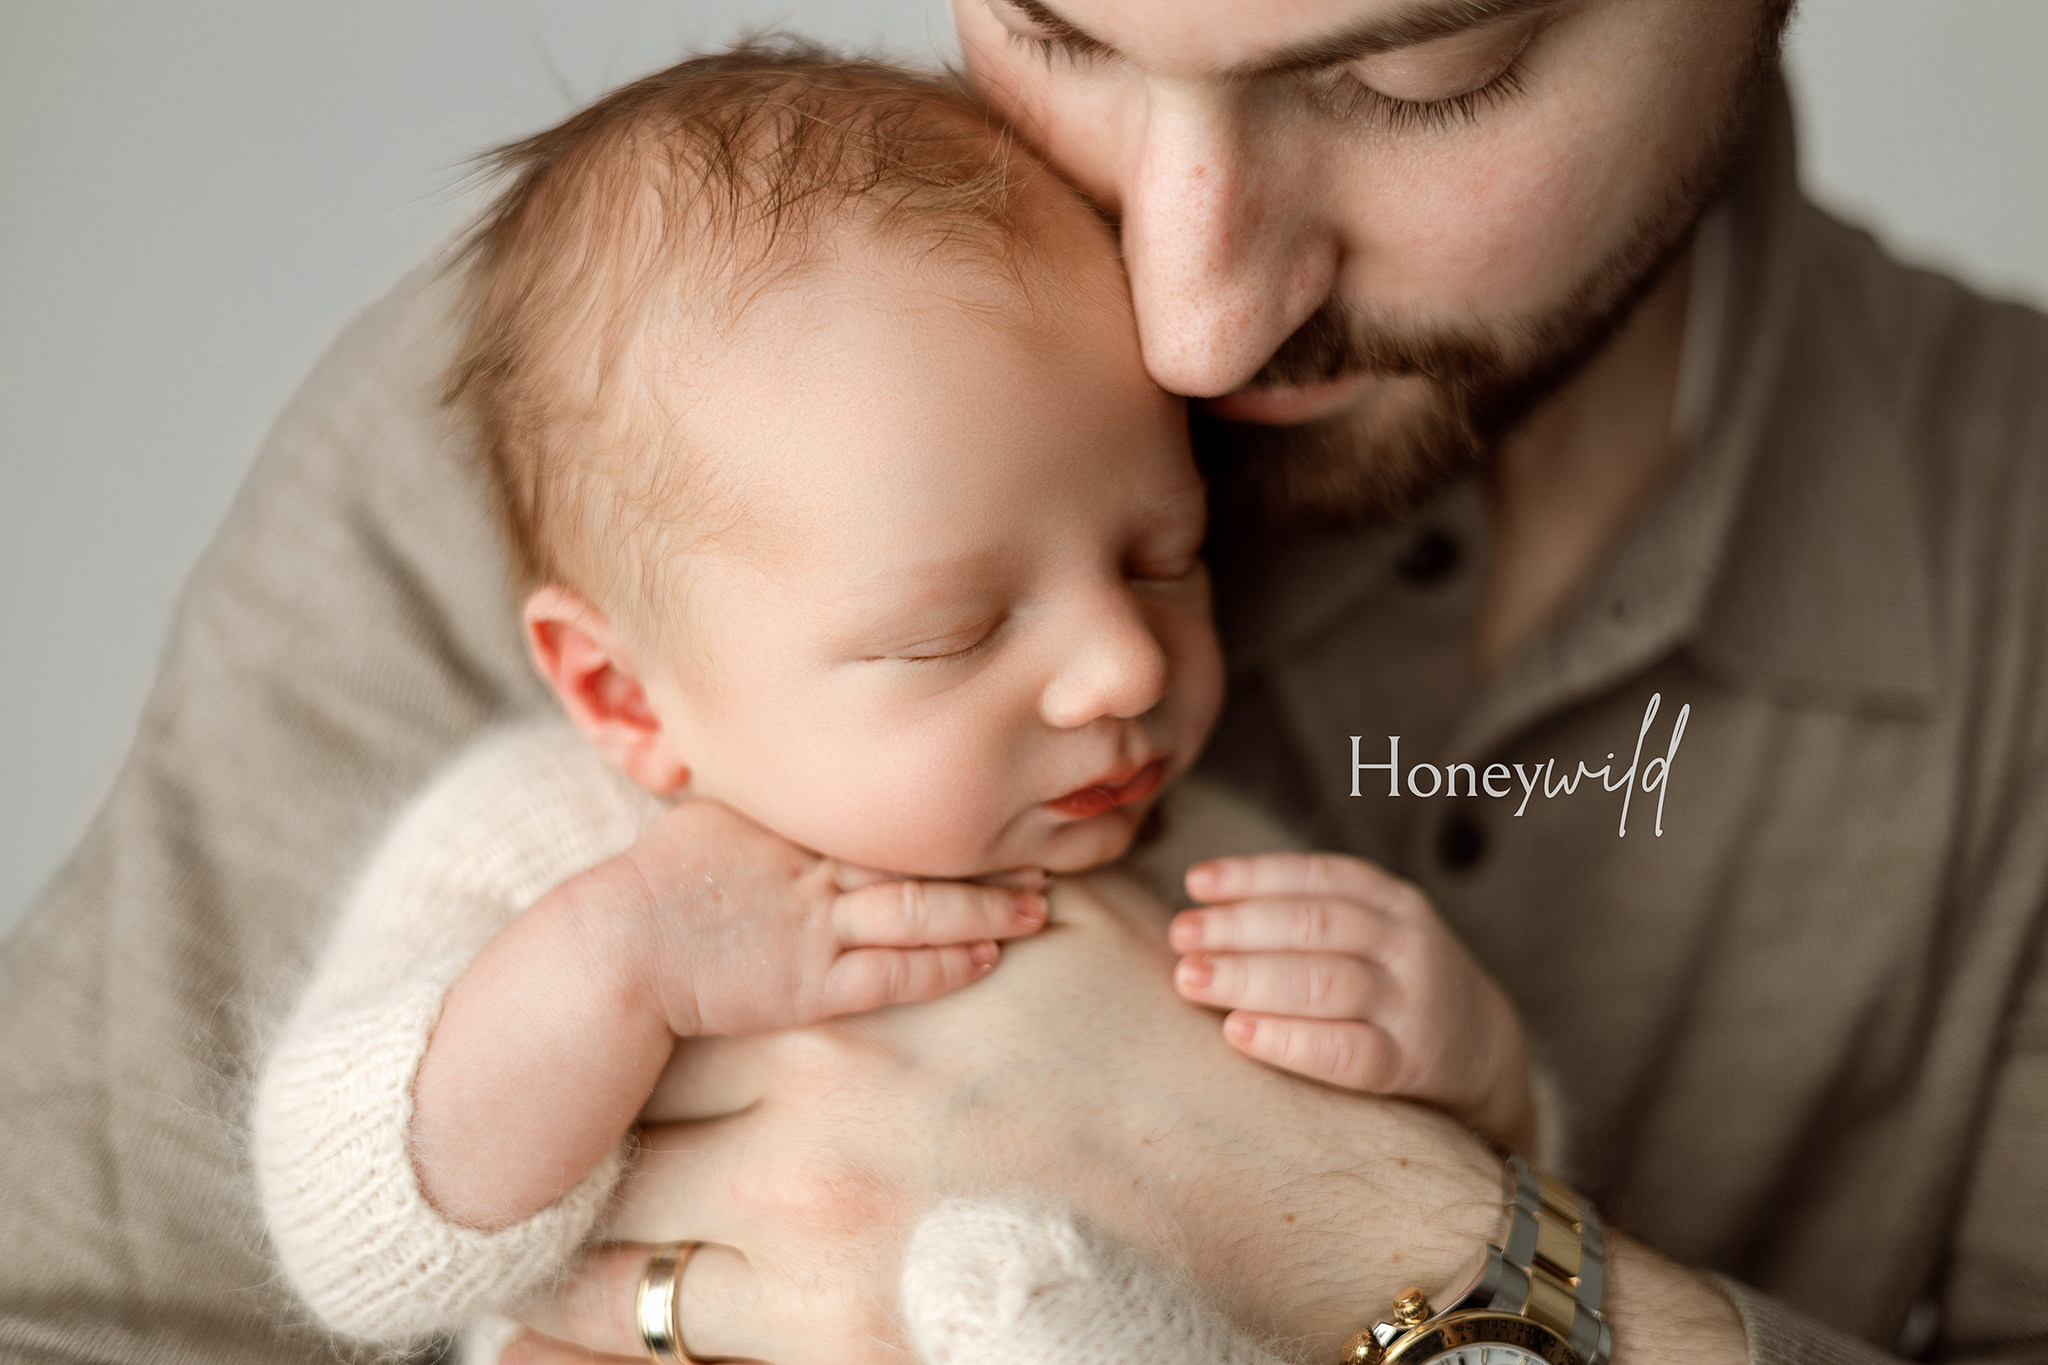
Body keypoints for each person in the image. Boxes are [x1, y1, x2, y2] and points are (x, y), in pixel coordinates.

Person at [1, 1, 2044, 1363]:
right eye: (1059, 21)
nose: (1188, 305)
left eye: (1420, 71)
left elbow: (1385, 1133)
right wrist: (596, 982)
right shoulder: (643, 414)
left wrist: (1419, 1199)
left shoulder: (2009, 559)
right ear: (616, 691)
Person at [248, 49, 1547, 1348]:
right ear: (623, 693)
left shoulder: (1201, 871)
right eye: (957, 629)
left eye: (1164, 559)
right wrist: (613, 968)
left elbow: (1425, 1213)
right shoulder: (544, 844)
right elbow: (346, 1228)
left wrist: (1478, 1067)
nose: (1129, 664)